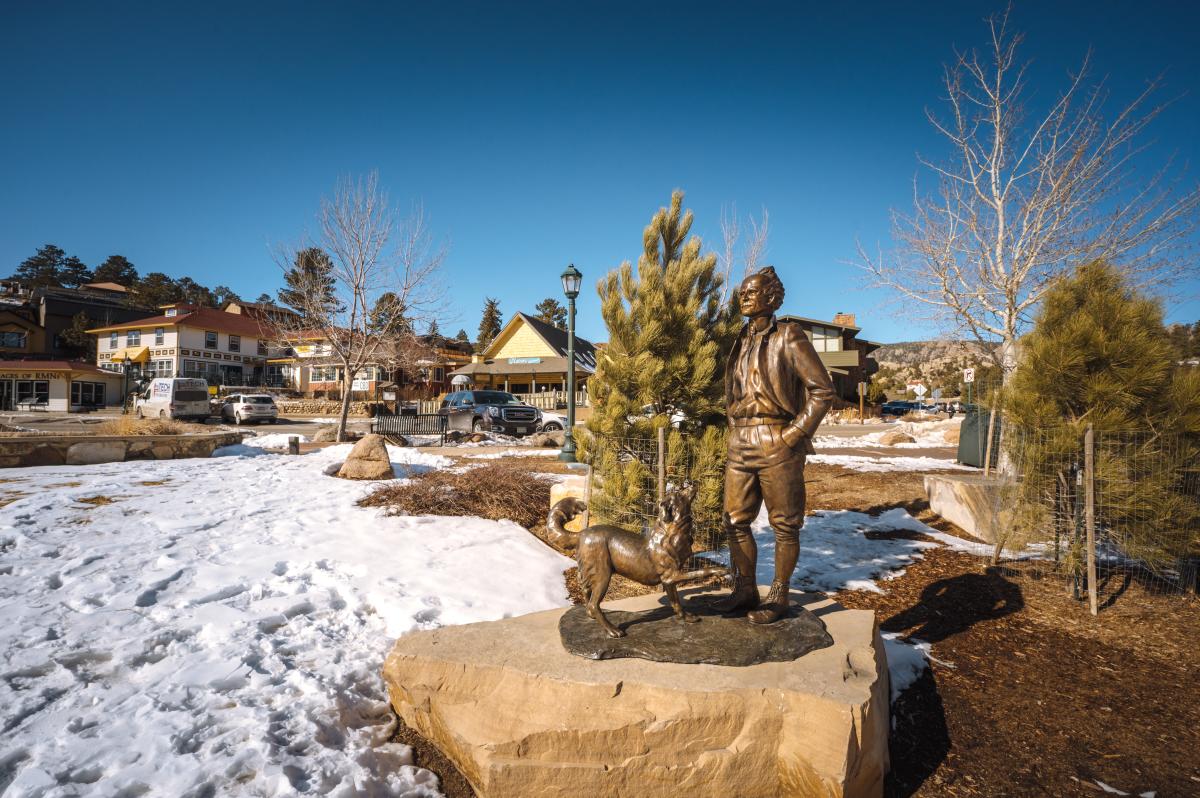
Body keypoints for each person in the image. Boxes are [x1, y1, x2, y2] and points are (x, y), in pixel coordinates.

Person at [714, 266, 835, 624]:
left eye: (750, 292)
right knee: (734, 519)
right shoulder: (739, 338)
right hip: (740, 440)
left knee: (784, 524)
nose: (743, 298)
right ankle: (745, 588)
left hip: (777, 437)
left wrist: (794, 435)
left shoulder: (789, 335)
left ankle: (779, 595)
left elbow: (822, 390)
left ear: (770, 297)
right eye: (742, 293)